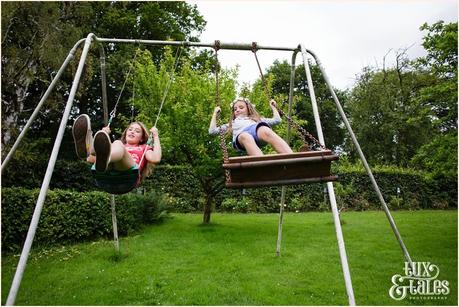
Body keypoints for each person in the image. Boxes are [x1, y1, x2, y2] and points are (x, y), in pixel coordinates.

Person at [72, 114, 161, 191]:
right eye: (130, 129)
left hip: (128, 178)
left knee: (117, 144)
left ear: (142, 138)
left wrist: (156, 136)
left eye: (137, 131)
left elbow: (156, 158)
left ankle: (103, 155)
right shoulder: (115, 147)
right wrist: (103, 133)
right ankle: (89, 147)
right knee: (113, 145)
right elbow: (90, 159)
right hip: (106, 176)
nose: (132, 132)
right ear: (126, 133)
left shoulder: (144, 148)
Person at [209, 97, 293, 156]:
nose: (237, 110)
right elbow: (212, 131)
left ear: (248, 109)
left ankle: (290, 156)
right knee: (245, 136)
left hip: (257, 134)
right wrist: (215, 113)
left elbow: (277, 120)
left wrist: (273, 107)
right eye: (235, 109)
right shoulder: (232, 123)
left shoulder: (257, 119)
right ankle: (263, 165)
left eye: (241, 107)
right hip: (242, 138)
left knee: (265, 129)